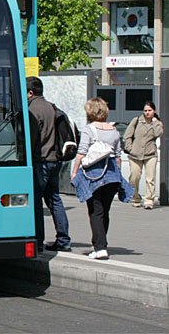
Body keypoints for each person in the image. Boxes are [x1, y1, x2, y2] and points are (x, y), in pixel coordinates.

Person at [71, 97, 135, 260]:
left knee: (95, 210)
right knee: (104, 211)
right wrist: (118, 174)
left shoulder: (89, 129)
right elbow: (118, 155)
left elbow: (81, 152)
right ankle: (100, 244)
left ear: (90, 111)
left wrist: (74, 171)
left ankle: (100, 247)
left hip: (94, 174)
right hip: (112, 173)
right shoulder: (113, 130)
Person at [26, 76, 71, 252]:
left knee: (37, 202)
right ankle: (63, 240)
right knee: (55, 200)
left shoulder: (32, 110)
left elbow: (31, 139)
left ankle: (38, 241)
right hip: (55, 161)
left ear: (30, 92)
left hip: (40, 161)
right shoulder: (52, 107)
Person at [123, 101, 162, 210]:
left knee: (150, 179)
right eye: (145, 110)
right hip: (135, 154)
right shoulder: (136, 121)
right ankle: (136, 198)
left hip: (150, 154)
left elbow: (158, 134)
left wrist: (154, 122)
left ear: (154, 111)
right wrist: (129, 148)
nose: (147, 113)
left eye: (149, 110)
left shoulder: (157, 123)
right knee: (134, 177)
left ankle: (149, 200)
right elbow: (127, 136)